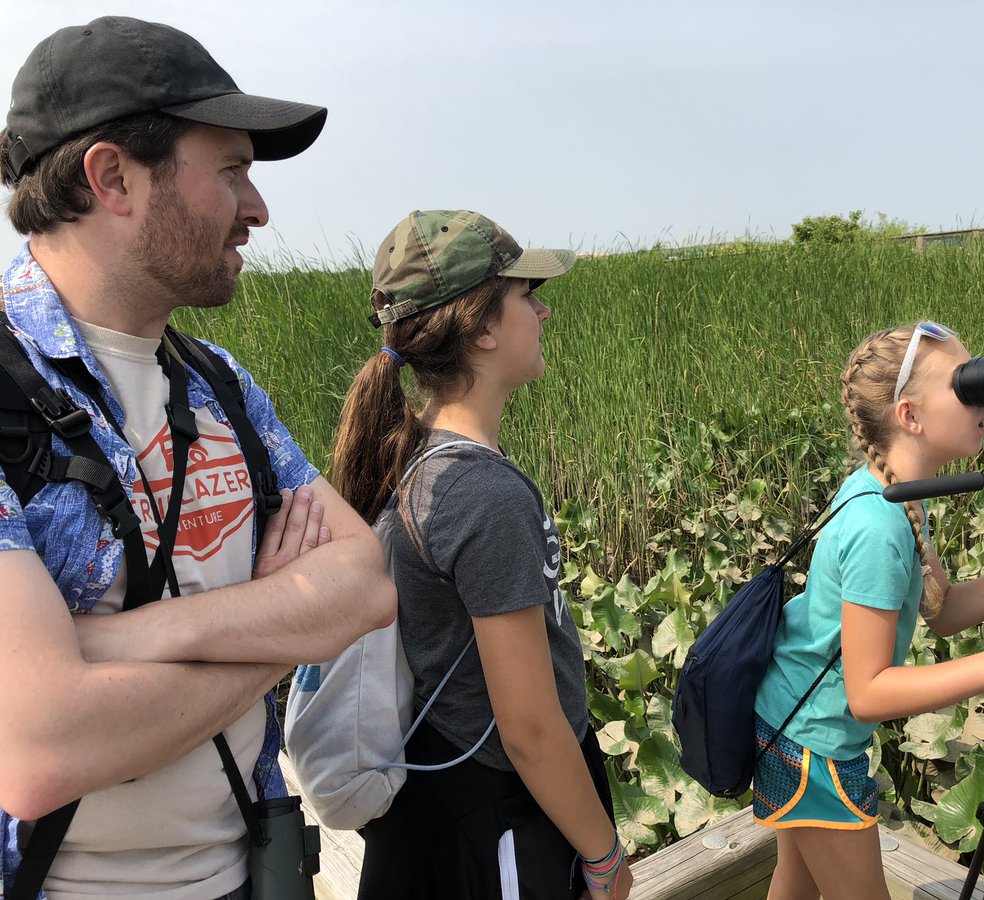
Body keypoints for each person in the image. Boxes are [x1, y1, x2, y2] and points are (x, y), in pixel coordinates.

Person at [0, 17, 395, 900]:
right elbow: (39, 750)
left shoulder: (217, 383)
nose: (257, 208)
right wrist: (285, 623)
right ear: (112, 177)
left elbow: (365, 583)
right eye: (232, 170)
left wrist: (125, 642)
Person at [330, 209, 633, 899]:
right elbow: (527, 727)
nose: (545, 310)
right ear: (483, 328)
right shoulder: (481, 492)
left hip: (454, 800)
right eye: (527, 295)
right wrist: (604, 854)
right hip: (502, 813)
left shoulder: (419, 455)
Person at [752, 322, 984, 900]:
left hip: (794, 723)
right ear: (911, 416)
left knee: (795, 885)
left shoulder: (899, 493)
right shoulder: (878, 526)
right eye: (966, 386)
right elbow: (869, 692)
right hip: (811, 745)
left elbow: (940, 612)